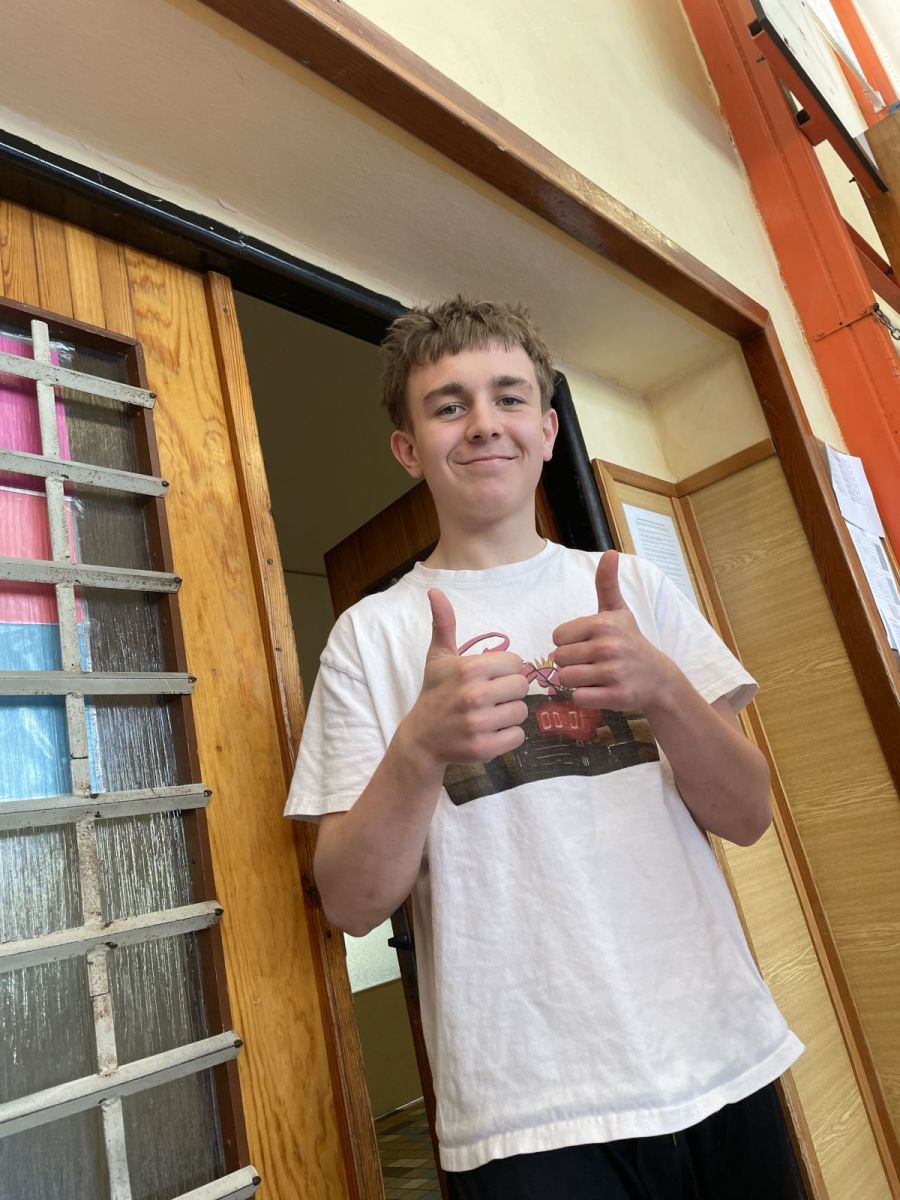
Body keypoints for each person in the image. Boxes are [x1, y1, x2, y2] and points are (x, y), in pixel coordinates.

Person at [285, 297, 805, 1199]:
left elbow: (749, 815)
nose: (484, 423)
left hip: (721, 1054)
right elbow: (352, 903)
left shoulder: (634, 588)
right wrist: (418, 750)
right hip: (524, 1109)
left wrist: (663, 689)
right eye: (449, 405)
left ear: (549, 428)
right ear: (409, 448)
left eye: (509, 397)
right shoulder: (369, 637)